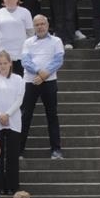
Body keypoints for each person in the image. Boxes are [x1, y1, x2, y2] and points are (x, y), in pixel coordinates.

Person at [21, 15, 65, 160]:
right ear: (33, 27)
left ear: (47, 25)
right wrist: (40, 73)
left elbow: (58, 60)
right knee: (25, 116)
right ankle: (19, 150)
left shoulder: (56, 41)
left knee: (52, 115)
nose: (40, 27)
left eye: (42, 24)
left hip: (50, 82)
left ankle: (56, 149)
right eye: (37, 24)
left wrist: (45, 75)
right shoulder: (28, 42)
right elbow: (25, 61)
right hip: (30, 81)